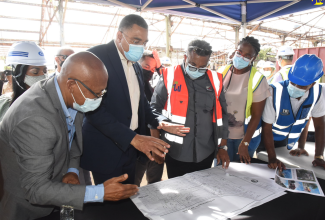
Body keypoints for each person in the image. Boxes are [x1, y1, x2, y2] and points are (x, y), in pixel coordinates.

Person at [0, 51, 139, 220]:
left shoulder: (70, 95)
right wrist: (98, 193)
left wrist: (72, 170)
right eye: (96, 94)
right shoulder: (35, 120)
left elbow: (72, 138)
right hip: (27, 208)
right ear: (72, 85)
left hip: (56, 193)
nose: (99, 99)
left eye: (103, 93)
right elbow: (36, 189)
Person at [80, 14, 169, 185]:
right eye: (136, 40)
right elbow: (92, 110)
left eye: (144, 42)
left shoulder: (134, 63)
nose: (140, 47)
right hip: (106, 147)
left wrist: (159, 121)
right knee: (108, 204)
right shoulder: (94, 58)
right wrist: (132, 138)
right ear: (119, 36)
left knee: (128, 196)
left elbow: (141, 101)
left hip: (132, 147)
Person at [150, 39, 229, 179]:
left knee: (201, 189)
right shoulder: (169, 75)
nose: (197, 70)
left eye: (202, 67)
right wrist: (158, 143)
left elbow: (222, 115)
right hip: (175, 152)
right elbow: (153, 109)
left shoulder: (216, 80)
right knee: (178, 192)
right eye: (192, 65)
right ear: (185, 57)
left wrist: (222, 147)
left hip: (206, 151)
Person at [261, 54, 325, 171]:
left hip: (283, 141)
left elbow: (316, 124)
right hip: (264, 139)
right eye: (293, 82)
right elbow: (266, 127)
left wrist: (318, 156)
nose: (295, 86)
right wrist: (272, 157)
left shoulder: (318, 94)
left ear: (312, 84)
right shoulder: (274, 91)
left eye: (301, 85)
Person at [218, 36, 270, 163]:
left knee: (241, 174)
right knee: (219, 172)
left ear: (254, 58)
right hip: (222, 136)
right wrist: (221, 142)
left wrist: (245, 143)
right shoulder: (221, 72)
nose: (241, 57)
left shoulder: (258, 79)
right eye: (239, 52)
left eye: (247, 56)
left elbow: (257, 115)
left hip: (245, 137)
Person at [135, 50, 164, 186]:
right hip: (138, 142)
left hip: (154, 138)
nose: (150, 71)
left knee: (154, 180)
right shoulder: (132, 85)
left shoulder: (151, 85)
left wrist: (159, 68)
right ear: (137, 64)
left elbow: (170, 79)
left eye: (153, 68)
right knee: (135, 180)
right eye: (146, 66)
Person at [0, 41, 47, 122]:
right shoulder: (4, 103)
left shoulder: (48, 103)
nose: (42, 76)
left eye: (45, 71)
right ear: (17, 73)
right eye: (35, 72)